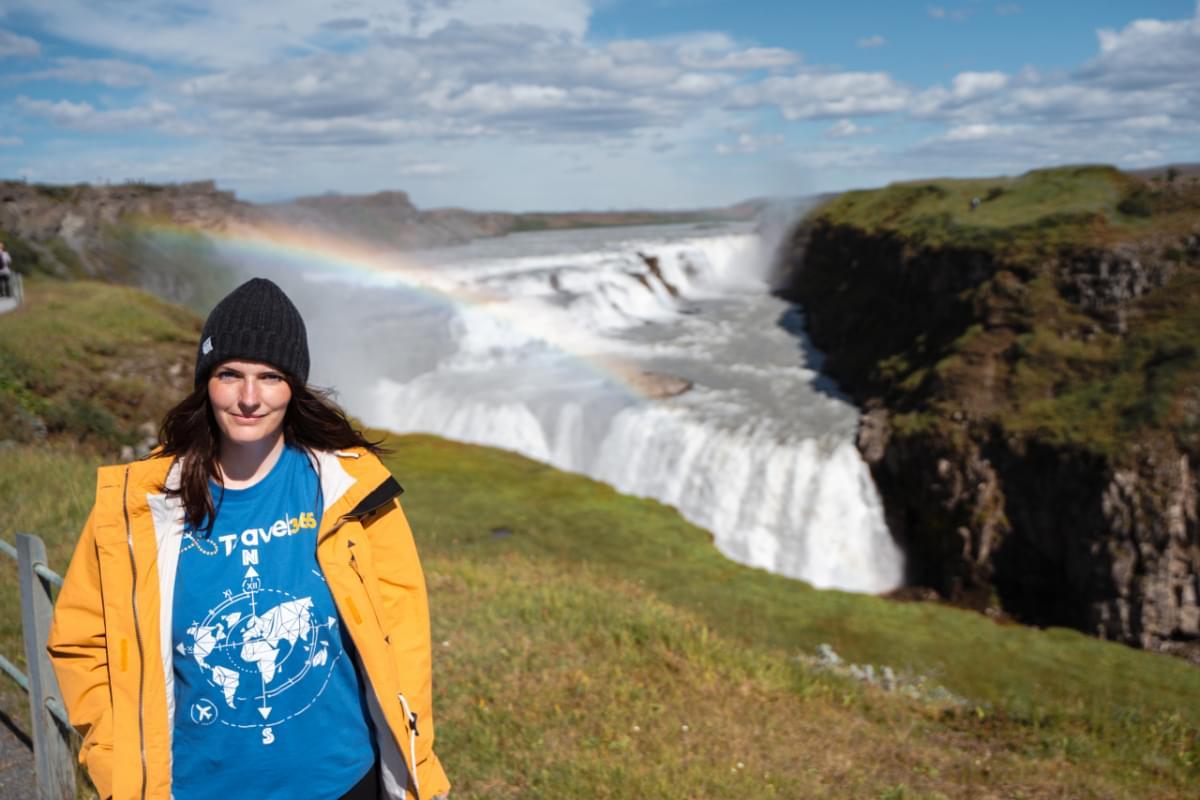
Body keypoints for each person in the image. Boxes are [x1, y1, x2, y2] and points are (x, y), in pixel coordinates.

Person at [48, 278, 450, 800]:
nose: (250, 398)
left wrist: (415, 764)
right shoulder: (139, 506)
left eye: (271, 377)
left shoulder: (352, 493)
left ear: (294, 388)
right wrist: (116, 765)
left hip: (346, 784)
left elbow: (406, 640)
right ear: (205, 383)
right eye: (230, 374)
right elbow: (82, 644)